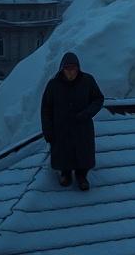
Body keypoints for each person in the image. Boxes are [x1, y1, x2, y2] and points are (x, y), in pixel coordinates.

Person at [41, 52, 104, 191]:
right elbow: (46, 109)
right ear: (62, 69)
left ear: (78, 68)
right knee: (63, 151)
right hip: (61, 127)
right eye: (68, 69)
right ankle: (66, 174)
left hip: (82, 127)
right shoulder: (53, 85)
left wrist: (86, 114)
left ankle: (82, 176)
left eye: (73, 69)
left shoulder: (87, 81)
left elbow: (98, 99)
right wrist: (48, 130)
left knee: (83, 152)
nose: (71, 72)